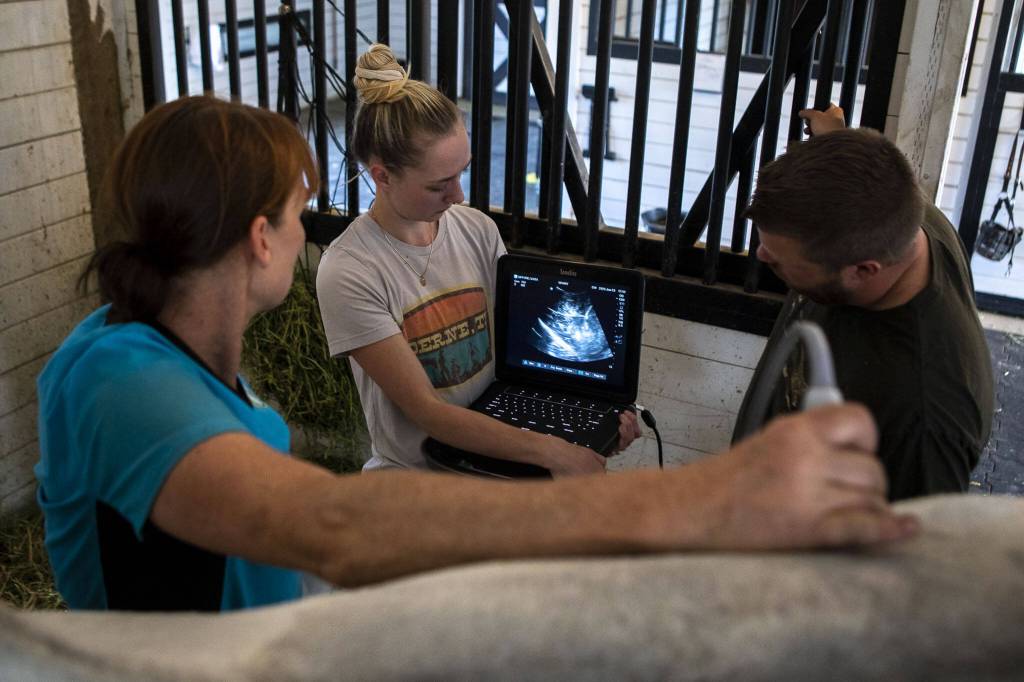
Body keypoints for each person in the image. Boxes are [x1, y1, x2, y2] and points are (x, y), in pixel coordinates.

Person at [35, 95, 916, 613]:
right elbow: (330, 525)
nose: (311, 235)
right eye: (301, 215)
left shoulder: (183, 351)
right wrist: (703, 497)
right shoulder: (121, 383)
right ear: (261, 239)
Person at [315, 44, 638, 477]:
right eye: (439, 185)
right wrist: (551, 451)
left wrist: (586, 422)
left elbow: (516, 359)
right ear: (382, 175)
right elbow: (428, 413)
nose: (459, 196)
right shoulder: (350, 271)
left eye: (462, 172)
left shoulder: (476, 229)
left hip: (502, 452)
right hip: (418, 475)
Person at [735, 104, 994, 501]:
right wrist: (835, 143)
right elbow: (865, 181)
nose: (762, 256)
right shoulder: (896, 214)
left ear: (862, 270)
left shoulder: (923, 417)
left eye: (782, 260)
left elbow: (910, 553)